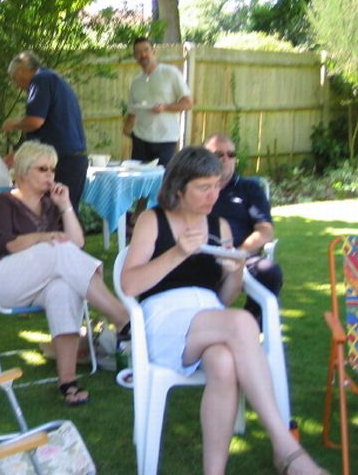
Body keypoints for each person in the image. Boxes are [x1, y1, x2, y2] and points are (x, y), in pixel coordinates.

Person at [121, 146, 324, 475]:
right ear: (178, 187)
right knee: (243, 323)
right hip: (164, 322)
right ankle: (286, 447)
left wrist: (234, 272)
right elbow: (129, 285)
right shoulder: (153, 220)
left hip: (209, 317)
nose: (213, 195)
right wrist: (177, 254)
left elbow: (226, 298)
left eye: (217, 185)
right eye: (204, 187)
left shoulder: (221, 226)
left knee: (225, 363)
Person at [0, 141, 130, 406]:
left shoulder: (51, 205)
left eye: (52, 169)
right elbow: (6, 245)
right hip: (2, 280)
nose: (50, 175)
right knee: (58, 249)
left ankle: (67, 382)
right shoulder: (3, 203)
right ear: (23, 171)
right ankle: (121, 316)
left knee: (64, 288)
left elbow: (78, 243)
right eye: (43, 169)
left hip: (40, 284)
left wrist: (65, 206)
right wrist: (45, 237)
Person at [204, 133, 283, 323]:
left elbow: (265, 230)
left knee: (269, 271)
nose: (226, 159)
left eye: (231, 154)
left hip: (241, 256)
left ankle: (253, 325)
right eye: (219, 154)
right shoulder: (196, 188)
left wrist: (237, 253)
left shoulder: (249, 189)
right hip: (202, 255)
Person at [3, 51, 88, 212]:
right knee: (66, 214)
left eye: (14, 78)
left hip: (62, 161)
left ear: (21, 71)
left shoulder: (40, 80)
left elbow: (35, 122)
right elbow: (43, 130)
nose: (16, 85)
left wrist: (13, 124)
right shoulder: (53, 79)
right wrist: (17, 153)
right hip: (74, 159)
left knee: (56, 215)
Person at [123, 37, 193, 167]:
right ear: (135, 56)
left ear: (154, 52)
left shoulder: (170, 73)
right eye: (138, 52)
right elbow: (133, 110)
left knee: (163, 177)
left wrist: (165, 107)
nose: (143, 55)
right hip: (140, 140)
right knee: (138, 177)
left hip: (165, 139)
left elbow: (188, 103)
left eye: (146, 50)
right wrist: (126, 130)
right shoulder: (136, 82)